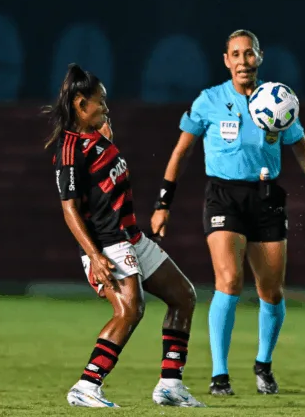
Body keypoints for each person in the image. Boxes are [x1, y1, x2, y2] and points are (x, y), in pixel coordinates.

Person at [150, 30, 305, 396]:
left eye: (249, 54)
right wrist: (163, 203)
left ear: (259, 57)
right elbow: (181, 151)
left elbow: (301, 148)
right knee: (229, 280)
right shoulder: (209, 101)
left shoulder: (278, 100)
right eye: (235, 54)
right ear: (226, 61)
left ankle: (263, 365)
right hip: (223, 197)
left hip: (266, 198)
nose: (242, 61)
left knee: (272, 292)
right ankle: (219, 375)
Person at [45, 63, 205, 408]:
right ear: (80, 104)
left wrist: (106, 141)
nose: (106, 107)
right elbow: (70, 209)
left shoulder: (97, 138)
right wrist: (95, 256)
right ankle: (86, 386)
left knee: (183, 296)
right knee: (130, 309)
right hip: (106, 243)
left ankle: (171, 385)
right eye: (100, 101)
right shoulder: (70, 149)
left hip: (131, 236)